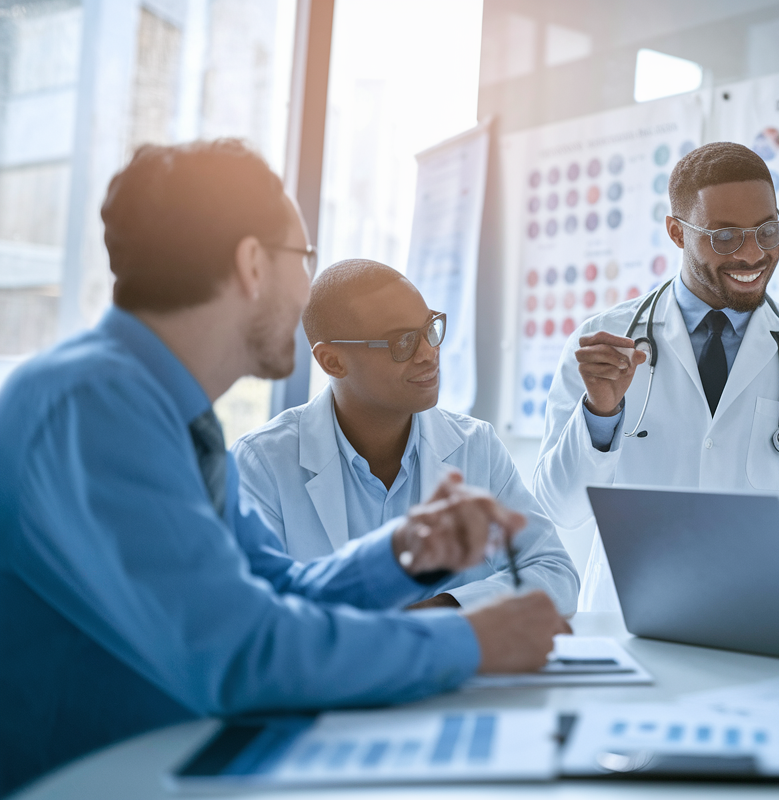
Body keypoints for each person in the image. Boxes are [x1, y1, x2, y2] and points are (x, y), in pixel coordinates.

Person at [0, 140, 569, 794]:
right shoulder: (93, 405)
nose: (307, 290)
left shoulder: (169, 410)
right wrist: (469, 644)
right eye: (303, 259)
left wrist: (404, 554)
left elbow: (273, 588)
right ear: (251, 264)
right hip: (89, 783)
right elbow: (241, 650)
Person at [535, 142, 779, 610]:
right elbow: (559, 508)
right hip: (628, 615)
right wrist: (600, 414)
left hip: (752, 618)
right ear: (677, 232)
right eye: (725, 237)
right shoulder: (602, 342)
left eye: (768, 230)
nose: (753, 254)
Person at [233, 259, 579, 614]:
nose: (429, 353)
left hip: (455, 668)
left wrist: (443, 608)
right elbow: (256, 612)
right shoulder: (262, 463)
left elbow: (555, 573)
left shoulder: (476, 446)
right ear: (332, 361)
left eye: (430, 329)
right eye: (402, 342)